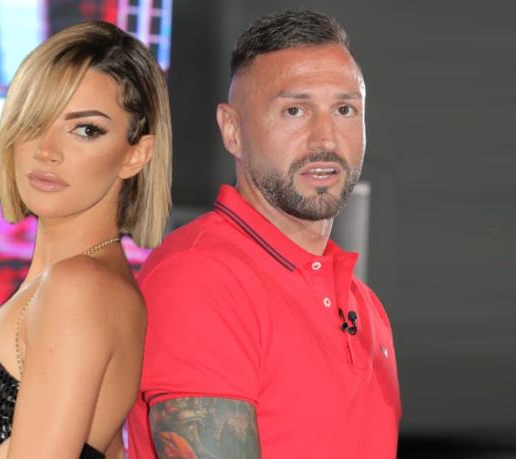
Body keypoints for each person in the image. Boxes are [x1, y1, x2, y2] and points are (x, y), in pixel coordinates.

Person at [127, 9, 401, 459]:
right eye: (295, 110)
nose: (326, 139)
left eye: (345, 110)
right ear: (232, 131)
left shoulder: (365, 305)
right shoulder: (200, 278)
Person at [0, 20, 171, 459]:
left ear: (135, 155)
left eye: (86, 130)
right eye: (35, 120)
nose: (46, 150)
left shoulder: (78, 285)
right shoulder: (87, 284)